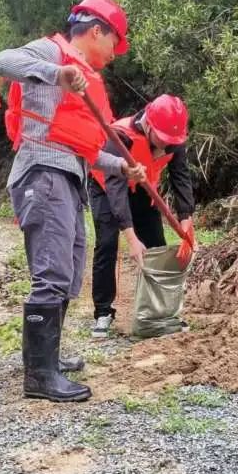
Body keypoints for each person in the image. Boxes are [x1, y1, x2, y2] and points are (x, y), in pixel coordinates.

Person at [0, 0, 146, 402]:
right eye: (115, 43)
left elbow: (83, 148)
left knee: (70, 270)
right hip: (43, 175)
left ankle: (49, 359)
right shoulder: (53, 53)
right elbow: (2, 61)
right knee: (52, 272)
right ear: (97, 31)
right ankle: (39, 376)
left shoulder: (85, 78)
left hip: (68, 177)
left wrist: (121, 167)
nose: (115, 54)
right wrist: (55, 73)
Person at [89, 94, 195, 336]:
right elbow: (115, 188)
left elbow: (181, 177)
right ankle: (103, 311)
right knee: (106, 243)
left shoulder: (174, 139)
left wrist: (186, 219)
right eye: (162, 139)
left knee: (157, 245)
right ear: (148, 124)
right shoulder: (121, 136)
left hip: (143, 188)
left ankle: (162, 312)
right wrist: (131, 237)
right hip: (106, 187)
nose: (167, 145)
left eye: (171, 141)